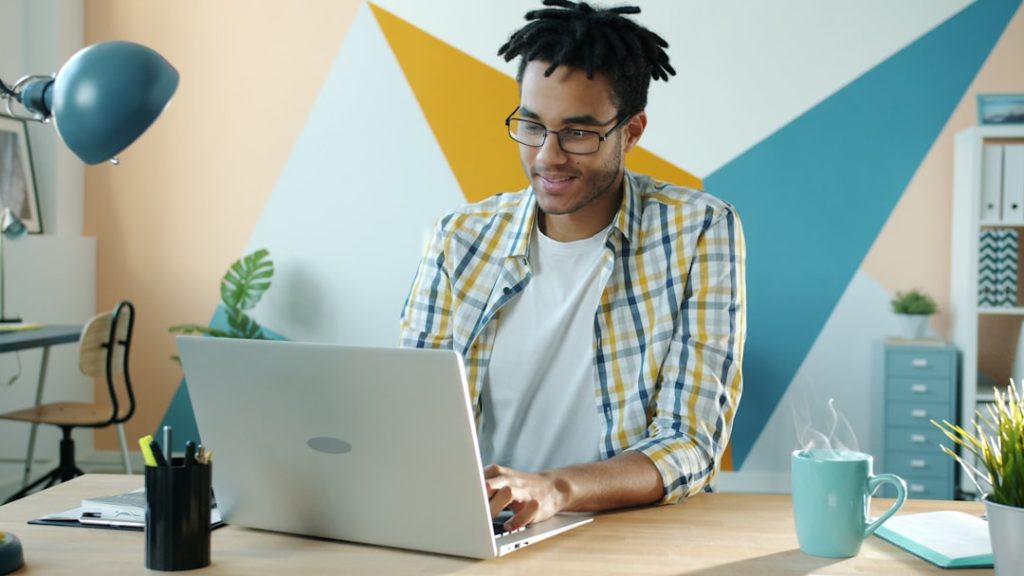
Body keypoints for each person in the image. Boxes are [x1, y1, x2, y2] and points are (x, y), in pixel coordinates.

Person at [400, 0, 746, 532]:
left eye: (578, 133)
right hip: (484, 530)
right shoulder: (460, 239)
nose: (547, 156)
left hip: (627, 535)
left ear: (631, 132)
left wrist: (557, 489)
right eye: (533, 126)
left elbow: (690, 442)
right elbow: (414, 414)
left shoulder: (697, 229)